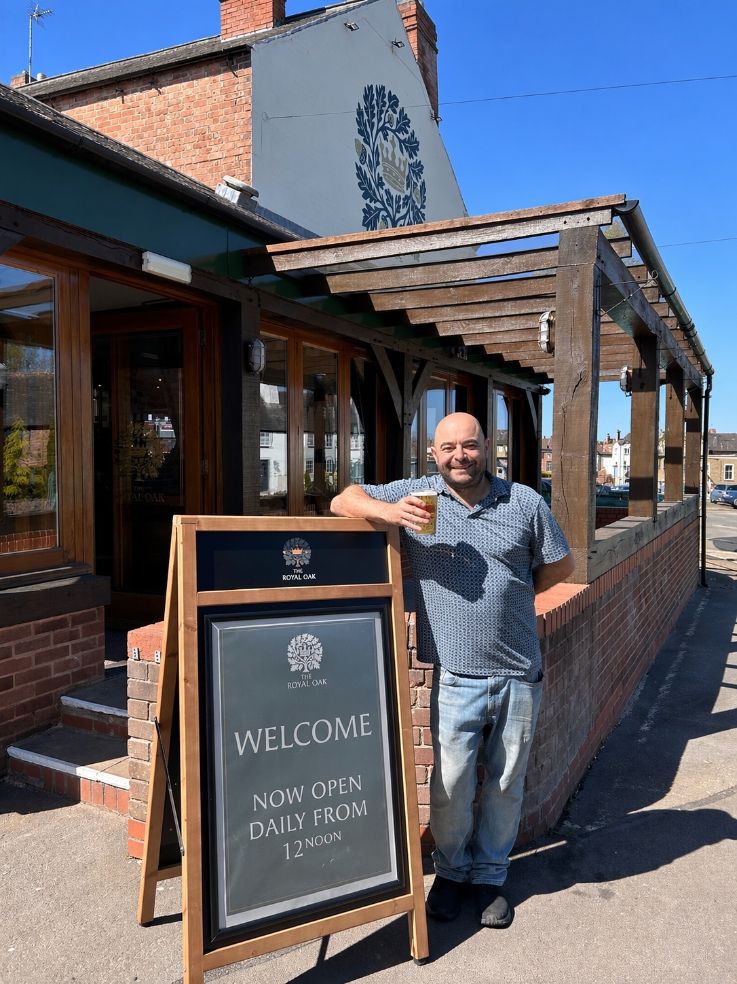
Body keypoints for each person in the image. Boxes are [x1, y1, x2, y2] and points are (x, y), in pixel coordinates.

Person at [331, 412, 574, 927]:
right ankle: (451, 871)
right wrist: (389, 511)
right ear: (433, 453)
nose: (459, 456)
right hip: (455, 673)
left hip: (517, 671)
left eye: (469, 446)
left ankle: (489, 876)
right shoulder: (420, 497)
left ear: (486, 446)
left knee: (507, 783)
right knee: (451, 785)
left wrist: (515, 595)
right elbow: (342, 499)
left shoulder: (523, 501)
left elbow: (561, 565)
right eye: (448, 448)